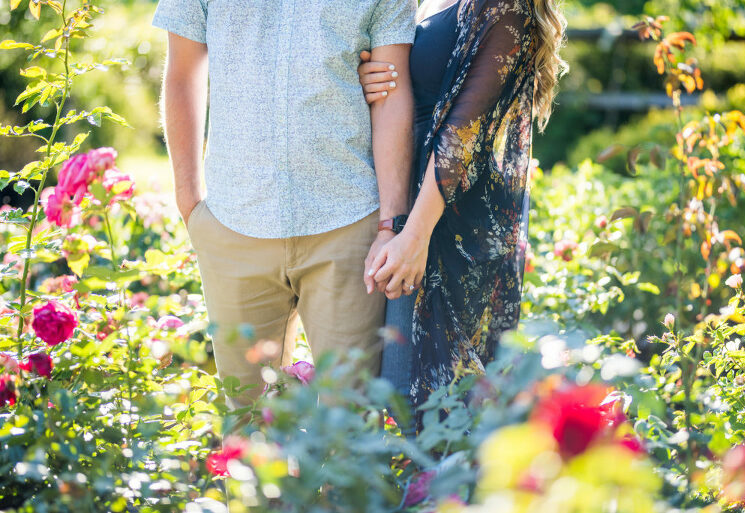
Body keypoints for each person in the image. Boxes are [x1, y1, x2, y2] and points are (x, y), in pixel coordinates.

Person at [152, 0, 417, 412]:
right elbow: (183, 73)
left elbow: (391, 92)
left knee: (348, 426)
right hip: (232, 224)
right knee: (247, 426)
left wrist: (390, 222)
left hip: (348, 225)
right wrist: (190, 202)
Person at [357, 0, 568, 414]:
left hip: (447, 221)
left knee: (422, 401)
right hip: (403, 208)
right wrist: (373, 76)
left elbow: (463, 134)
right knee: (385, 388)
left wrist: (414, 235)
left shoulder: (507, 6)